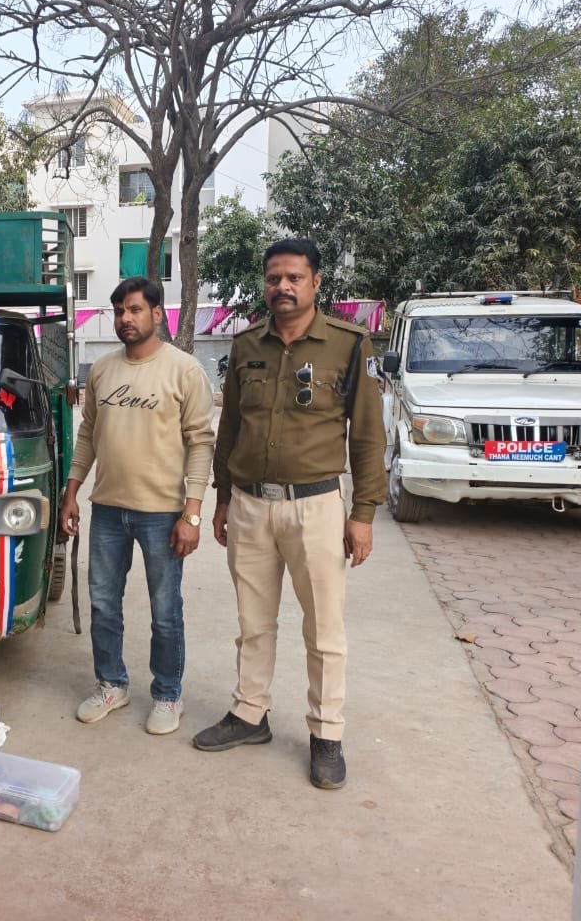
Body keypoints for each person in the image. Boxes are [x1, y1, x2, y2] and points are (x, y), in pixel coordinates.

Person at [193, 238, 385, 790]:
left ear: (316, 283)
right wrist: (223, 496)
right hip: (250, 505)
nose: (283, 287)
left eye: (294, 278)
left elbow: (367, 435)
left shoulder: (348, 344)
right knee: (253, 623)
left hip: (316, 508)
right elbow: (231, 427)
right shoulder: (246, 344)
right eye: (274, 278)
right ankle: (250, 713)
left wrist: (363, 512)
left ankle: (327, 733)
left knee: (323, 629)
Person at [59, 276, 215, 736]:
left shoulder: (184, 371)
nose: (125, 318)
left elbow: (201, 443)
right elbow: (88, 434)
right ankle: (112, 684)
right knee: (104, 605)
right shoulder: (103, 370)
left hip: (162, 514)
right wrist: (72, 491)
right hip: (107, 510)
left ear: (156, 314)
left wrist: (191, 514)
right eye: (119, 311)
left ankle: (167, 694)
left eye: (134, 309)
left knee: (165, 611)